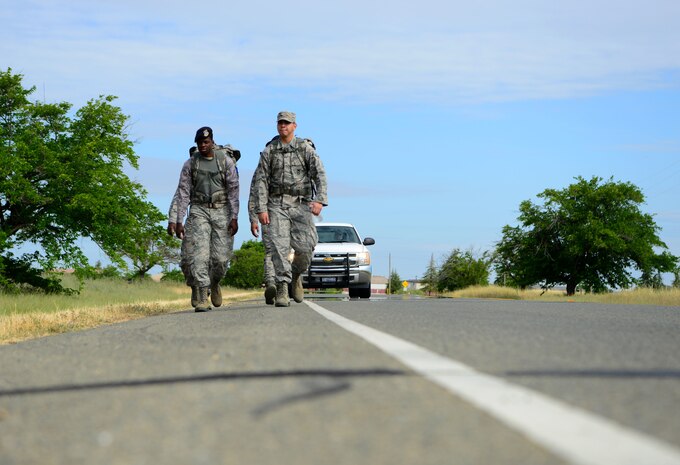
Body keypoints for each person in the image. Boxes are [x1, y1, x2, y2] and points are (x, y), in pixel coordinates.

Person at [250, 111, 327, 307]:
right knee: (279, 248)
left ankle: (295, 275)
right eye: (280, 123)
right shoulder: (270, 151)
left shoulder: (305, 148)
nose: (283, 126)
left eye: (287, 123)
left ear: (294, 126)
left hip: (301, 204)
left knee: (306, 247)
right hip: (276, 205)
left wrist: (320, 200)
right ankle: (282, 289)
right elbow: (260, 182)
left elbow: (320, 174)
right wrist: (261, 209)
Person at [168, 127, 239, 312]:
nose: (203, 146)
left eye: (206, 142)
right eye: (200, 143)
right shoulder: (190, 164)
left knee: (221, 259)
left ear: (212, 141)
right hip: (199, 210)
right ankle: (201, 294)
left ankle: (214, 283)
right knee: (199, 256)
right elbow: (183, 193)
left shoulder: (226, 161)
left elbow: (233, 190)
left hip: (222, 210)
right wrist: (178, 219)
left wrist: (234, 217)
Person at [248, 170, 276, 305]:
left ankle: (294, 279)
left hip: (295, 213)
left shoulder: (301, 154)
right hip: (268, 214)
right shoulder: (262, 168)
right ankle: (272, 284)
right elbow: (254, 195)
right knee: (271, 251)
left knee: (296, 251)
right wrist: (254, 220)